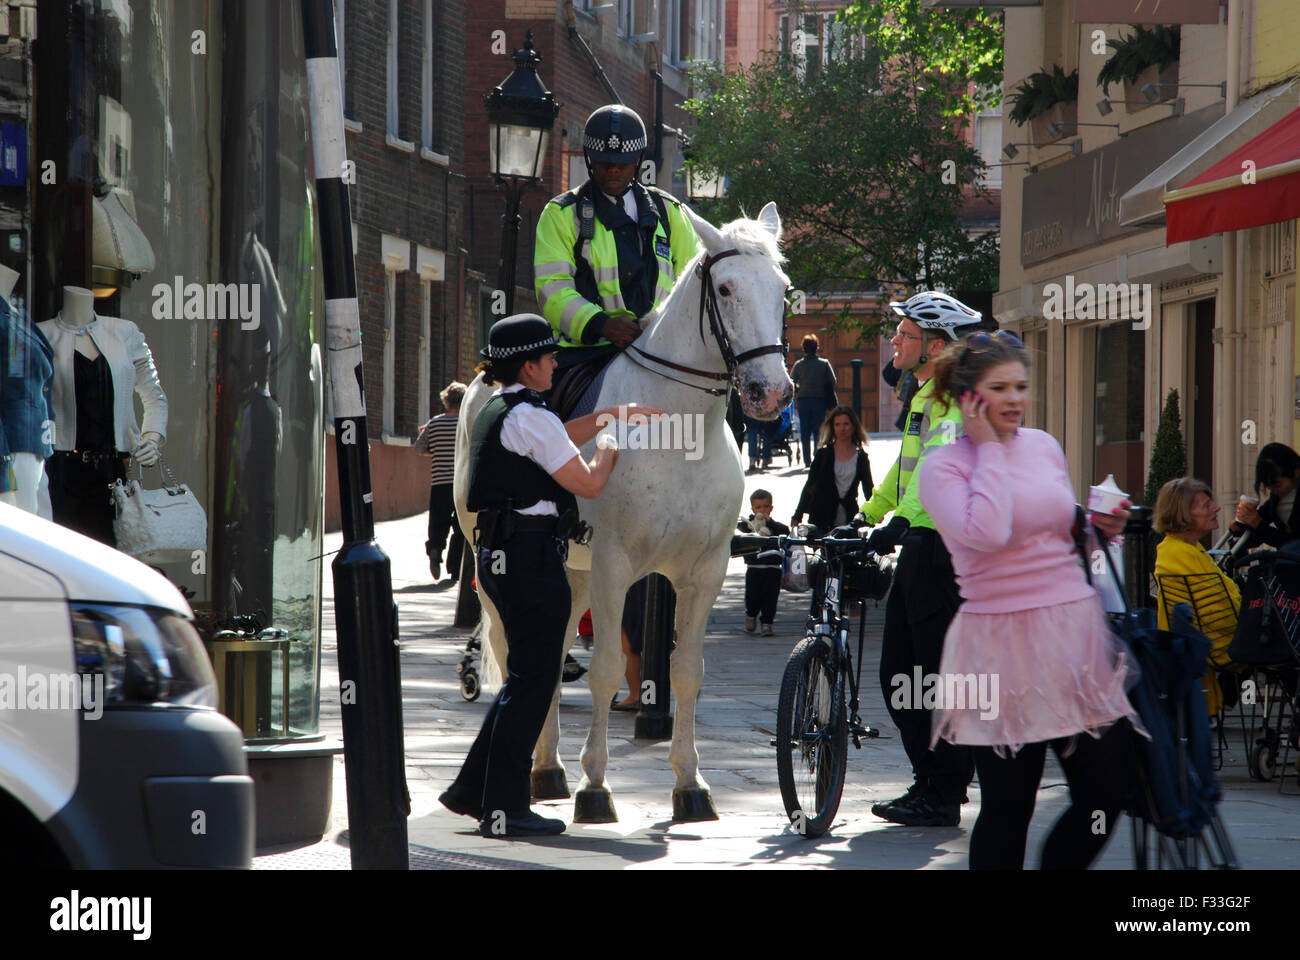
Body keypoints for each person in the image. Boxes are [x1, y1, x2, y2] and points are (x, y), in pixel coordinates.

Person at [917, 329, 1146, 870]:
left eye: (1021, 385)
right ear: (968, 395)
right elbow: (990, 531)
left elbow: (1055, 532)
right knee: (1009, 804)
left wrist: (1097, 529)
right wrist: (989, 449)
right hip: (1000, 648)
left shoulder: (1043, 445)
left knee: (1108, 791)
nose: (1016, 398)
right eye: (1000, 387)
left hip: (1073, 639)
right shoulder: (942, 467)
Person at [438, 314, 662, 838]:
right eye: (549, 358)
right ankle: (507, 809)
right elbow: (585, 482)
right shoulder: (530, 416)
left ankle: (474, 791)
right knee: (534, 685)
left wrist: (609, 415)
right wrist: (611, 446)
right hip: (530, 558)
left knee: (524, 679)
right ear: (530, 365)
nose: (557, 365)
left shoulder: (505, 406)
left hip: (504, 555)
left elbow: (557, 435)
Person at [856, 291, 981, 827]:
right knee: (900, 675)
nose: (894, 342)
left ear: (934, 344)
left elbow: (939, 468)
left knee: (931, 677)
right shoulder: (925, 396)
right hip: (917, 546)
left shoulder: (953, 400)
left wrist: (903, 522)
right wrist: (868, 515)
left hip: (941, 550)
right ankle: (932, 781)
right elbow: (904, 472)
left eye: (904, 335)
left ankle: (944, 788)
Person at [534, 104, 698, 365]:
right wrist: (601, 324)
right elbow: (552, 289)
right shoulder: (561, 214)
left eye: (623, 163)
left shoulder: (669, 212)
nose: (613, 170)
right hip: (585, 352)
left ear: (637, 160)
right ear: (589, 159)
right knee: (548, 403)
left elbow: (694, 282)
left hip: (662, 350)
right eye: (604, 162)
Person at [1153, 478, 1247, 717]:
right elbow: (1222, 618)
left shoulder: (1182, 549)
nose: (1216, 508)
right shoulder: (1183, 555)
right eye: (1206, 505)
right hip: (1222, 648)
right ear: (1183, 514)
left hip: (1207, 645)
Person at [792, 406, 874, 531]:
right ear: (833, 428)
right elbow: (810, 486)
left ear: (853, 426)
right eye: (838, 425)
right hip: (822, 518)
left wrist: (874, 513)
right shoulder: (823, 454)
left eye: (846, 424)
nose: (842, 429)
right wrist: (798, 515)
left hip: (849, 519)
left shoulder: (861, 457)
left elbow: (868, 488)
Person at [417, 381, 466, 585]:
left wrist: (435, 451)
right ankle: (455, 567)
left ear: (446, 400)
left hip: (440, 482)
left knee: (438, 520)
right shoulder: (465, 423)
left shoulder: (434, 423)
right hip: (461, 482)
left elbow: (419, 448)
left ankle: (435, 550)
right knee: (460, 525)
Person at [737, 488, 790, 636]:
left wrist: (770, 523)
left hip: (773, 568)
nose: (762, 510)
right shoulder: (748, 525)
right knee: (752, 597)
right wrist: (751, 523)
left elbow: (785, 531)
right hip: (754, 567)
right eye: (758, 507)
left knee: (770, 599)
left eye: (766, 506)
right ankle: (751, 615)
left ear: (771, 508)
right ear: (753, 509)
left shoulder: (776, 526)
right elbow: (740, 531)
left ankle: (767, 623)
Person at [1231, 442, 1300, 549]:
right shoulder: (1278, 497)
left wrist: (1258, 525)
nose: (1274, 491)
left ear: (1295, 473)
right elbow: (1261, 521)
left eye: (1278, 485)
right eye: (1269, 487)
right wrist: (1241, 526)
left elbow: (1293, 542)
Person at [790, 334, 836, 466]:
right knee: (818, 430)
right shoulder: (824, 364)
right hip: (819, 400)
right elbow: (833, 381)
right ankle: (817, 457)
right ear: (817, 348)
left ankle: (806, 460)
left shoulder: (799, 365)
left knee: (805, 431)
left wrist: (800, 388)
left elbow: (792, 381)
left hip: (804, 400)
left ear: (803, 348)